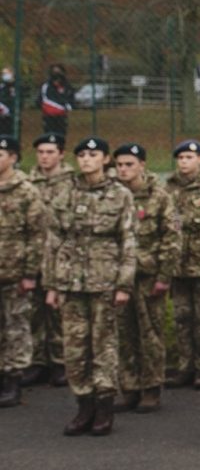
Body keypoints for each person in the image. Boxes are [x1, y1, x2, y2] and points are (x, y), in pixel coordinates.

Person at [43, 137, 136, 436]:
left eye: (93, 155)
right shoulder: (65, 192)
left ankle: (104, 406)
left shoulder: (119, 195)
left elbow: (129, 240)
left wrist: (124, 284)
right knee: (74, 346)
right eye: (81, 154)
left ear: (105, 159)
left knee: (104, 345)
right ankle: (84, 405)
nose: (86, 160)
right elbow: (53, 240)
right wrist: (52, 284)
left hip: (104, 280)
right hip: (71, 280)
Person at [110, 143, 177, 414]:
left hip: (147, 275)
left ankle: (151, 388)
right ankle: (129, 387)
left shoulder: (159, 197)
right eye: (119, 165)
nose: (123, 169)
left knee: (150, 334)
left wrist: (164, 275)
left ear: (142, 165)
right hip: (117, 277)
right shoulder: (111, 196)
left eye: (129, 164)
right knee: (124, 334)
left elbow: (171, 238)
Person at [165, 140, 200, 390]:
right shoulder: (168, 188)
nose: (184, 162)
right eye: (181, 158)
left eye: (189, 157)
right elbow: (166, 222)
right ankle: (184, 366)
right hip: (177, 264)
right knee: (181, 316)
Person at [0, 135, 46, 408]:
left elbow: (37, 235)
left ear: (13, 158)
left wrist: (30, 273)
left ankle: (13, 379)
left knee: (16, 327)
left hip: (14, 272)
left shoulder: (26, 191)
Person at [24, 132, 73, 388]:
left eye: (50, 152)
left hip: (60, 256)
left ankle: (61, 361)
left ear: (61, 154)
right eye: (41, 152)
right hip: (34, 255)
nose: (44, 157)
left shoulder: (71, 181)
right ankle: (36, 361)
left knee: (59, 312)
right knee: (33, 311)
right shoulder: (27, 182)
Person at [38, 64, 74, 137]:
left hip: (61, 116)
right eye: (54, 71)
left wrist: (68, 105)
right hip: (49, 116)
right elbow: (42, 99)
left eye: (59, 71)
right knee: (49, 134)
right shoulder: (46, 86)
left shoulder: (66, 86)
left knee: (61, 134)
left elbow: (70, 97)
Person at [0, 67, 17, 134]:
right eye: (3, 73)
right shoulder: (1, 87)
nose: (5, 75)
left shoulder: (17, 87)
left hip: (12, 117)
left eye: (7, 73)